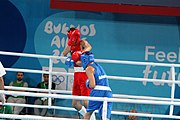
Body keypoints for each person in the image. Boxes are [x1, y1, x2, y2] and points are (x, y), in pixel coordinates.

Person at [63, 27, 96, 119]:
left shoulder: (82, 43)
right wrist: (71, 56)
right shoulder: (70, 45)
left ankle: (93, 118)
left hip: (84, 73)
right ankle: (89, 117)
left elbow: (89, 47)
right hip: (76, 74)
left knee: (86, 102)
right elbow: (64, 53)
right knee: (75, 104)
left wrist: (80, 53)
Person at [71, 51, 113, 120]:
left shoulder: (88, 69)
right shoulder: (98, 65)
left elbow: (92, 85)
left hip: (98, 92)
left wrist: (87, 84)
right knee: (105, 117)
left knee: (88, 114)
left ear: (84, 60)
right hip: (108, 91)